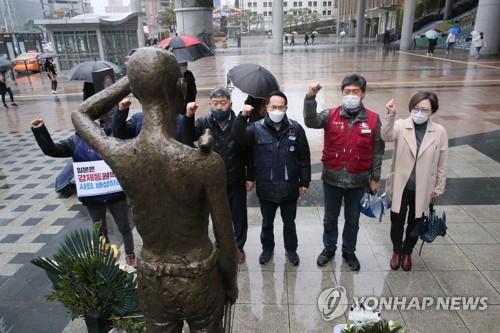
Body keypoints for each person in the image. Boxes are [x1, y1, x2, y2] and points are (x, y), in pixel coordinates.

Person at [71, 47, 238, 331]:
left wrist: (135, 82)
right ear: (180, 87)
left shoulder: (121, 154)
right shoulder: (204, 163)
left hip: (152, 278)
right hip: (199, 277)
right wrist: (230, 284)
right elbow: (226, 239)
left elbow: (80, 113)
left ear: (135, 91)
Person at [30, 112, 137, 268]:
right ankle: (106, 260)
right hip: (93, 198)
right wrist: (39, 130)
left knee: (124, 227)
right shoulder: (75, 141)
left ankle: (130, 256)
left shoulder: (112, 137)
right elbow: (52, 150)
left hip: (115, 194)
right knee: (100, 231)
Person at [303, 74, 385, 271]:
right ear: (342, 93)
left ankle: (349, 251)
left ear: (363, 94)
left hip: (358, 180)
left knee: (353, 220)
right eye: (347, 92)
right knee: (330, 218)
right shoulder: (330, 115)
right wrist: (310, 98)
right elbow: (311, 121)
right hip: (332, 178)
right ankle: (329, 248)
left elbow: (377, 151)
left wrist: (375, 178)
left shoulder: (373, 119)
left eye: (355, 92)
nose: (350, 95)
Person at [233, 91, 311, 266]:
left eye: (280, 107)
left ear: (286, 108)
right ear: (266, 108)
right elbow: (238, 141)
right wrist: (242, 116)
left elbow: (304, 156)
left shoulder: (295, 129)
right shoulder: (256, 128)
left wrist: (304, 181)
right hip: (266, 187)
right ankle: (267, 249)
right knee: (266, 223)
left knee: (289, 223)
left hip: (289, 187)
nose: (277, 110)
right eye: (273, 107)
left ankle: (291, 250)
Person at [183, 87, 253, 264]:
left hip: (235, 177)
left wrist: (250, 177)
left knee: (238, 215)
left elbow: (248, 151)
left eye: (223, 103)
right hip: (212, 181)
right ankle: (221, 245)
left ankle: (239, 246)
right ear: (210, 105)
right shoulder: (204, 123)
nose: (219, 107)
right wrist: (188, 116)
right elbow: (187, 136)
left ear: (230, 103)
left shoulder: (239, 122)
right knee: (217, 214)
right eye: (215, 103)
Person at [382, 92, 448, 271]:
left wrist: (439, 187)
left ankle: (407, 251)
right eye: (416, 108)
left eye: (424, 109)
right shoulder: (401, 125)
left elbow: (442, 162)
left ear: (432, 111)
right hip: (401, 185)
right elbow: (386, 136)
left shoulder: (439, 131)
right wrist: (391, 116)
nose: (419, 112)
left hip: (424, 187)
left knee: (415, 222)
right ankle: (397, 251)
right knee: (397, 220)